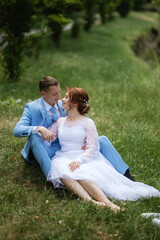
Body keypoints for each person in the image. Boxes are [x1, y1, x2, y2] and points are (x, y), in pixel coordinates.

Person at [46, 87, 160, 211]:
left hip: (83, 157)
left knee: (82, 174)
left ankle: (109, 204)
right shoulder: (60, 122)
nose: (62, 99)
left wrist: (79, 160)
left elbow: (93, 148)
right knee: (63, 172)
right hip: (64, 156)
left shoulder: (87, 123)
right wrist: (39, 130)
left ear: (74, 104)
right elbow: (48, 138)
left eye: (66, 97)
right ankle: (92, 202)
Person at [13, 76, 133, 180]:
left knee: (102, 140)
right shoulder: (32, 107)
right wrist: (39, 128)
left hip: (68, 145)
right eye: (55, 94)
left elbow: (78, 121)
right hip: (46, 147)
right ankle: (53, 178)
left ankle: (125, 174)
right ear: (43, 93)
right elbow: (17, 129)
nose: (59, 97)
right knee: (34, 137)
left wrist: (88, 138)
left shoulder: (65, 103)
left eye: (59, 92)